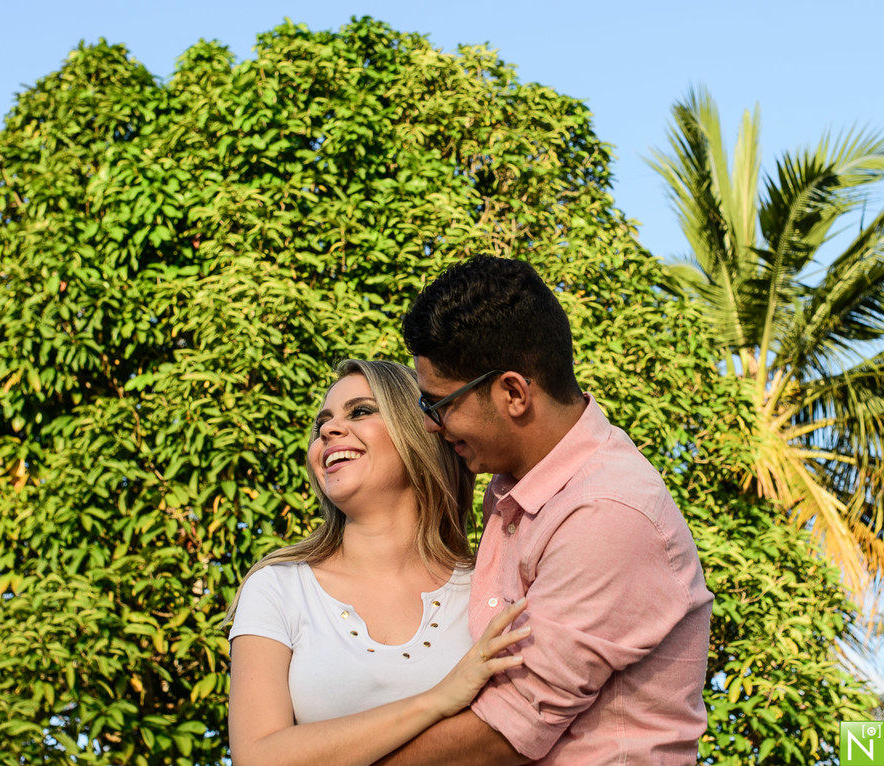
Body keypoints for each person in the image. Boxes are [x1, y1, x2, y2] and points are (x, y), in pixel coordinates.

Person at [377, 255, 713, 765]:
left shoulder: (605, 513)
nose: (431, 426)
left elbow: (507, 729)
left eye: (439, 404)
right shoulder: (524, 489)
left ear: (513, 393)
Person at [227, 359, 532, 766]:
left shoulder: (491, 586)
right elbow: (257, 757)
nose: (327, 430)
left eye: (361, 411)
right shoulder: (277, 588)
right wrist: (437, 700)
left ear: (420, 432)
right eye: (323, 423)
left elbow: (527, 733)